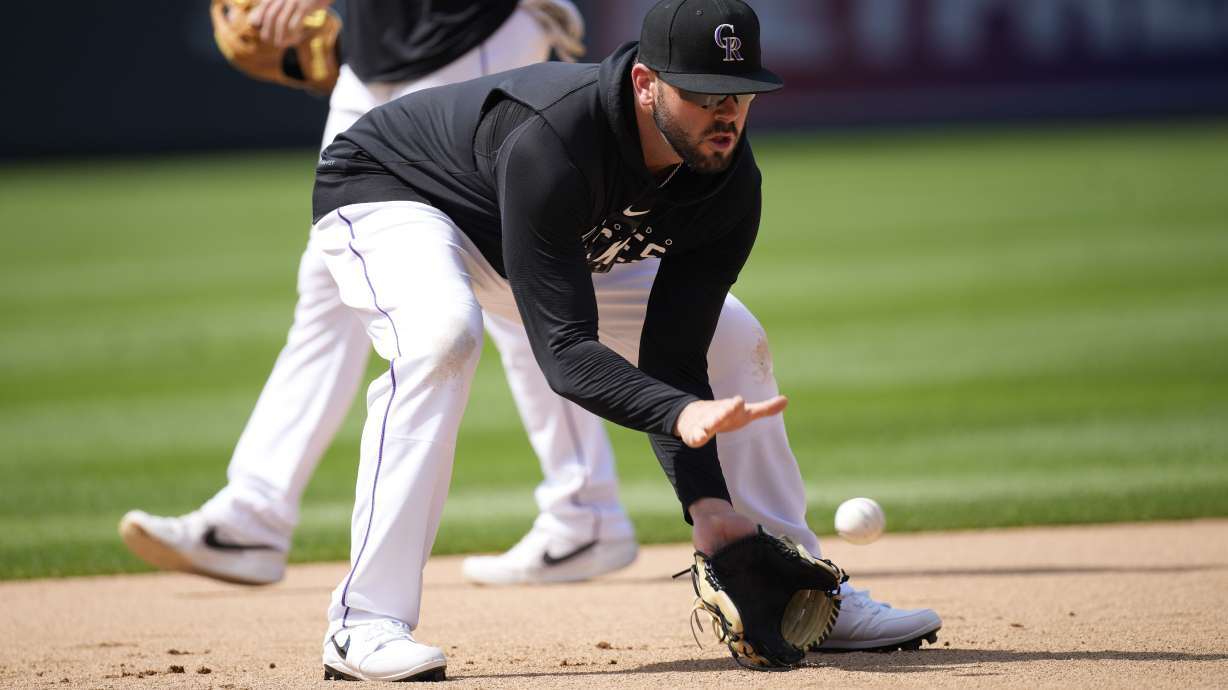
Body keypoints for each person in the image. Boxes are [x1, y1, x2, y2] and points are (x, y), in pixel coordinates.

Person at [306, 0, 941, 680]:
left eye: (739, 94)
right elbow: (566, 354)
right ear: (645, 84)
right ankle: (363, 624)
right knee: (443, 336)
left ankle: (805, 596)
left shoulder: (727, 183)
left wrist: (709, 508)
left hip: (521, 234)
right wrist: (677, 411)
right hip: (392, 191)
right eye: (701, 93)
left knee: (733, 335)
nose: (724, 113)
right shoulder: (556, 141)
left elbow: (674, 349)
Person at [120, 0, 646, 588]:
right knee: (335, 268)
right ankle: (254, 514)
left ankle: (586, 509)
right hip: (382, 52)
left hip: (470, 30)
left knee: (508, 272)